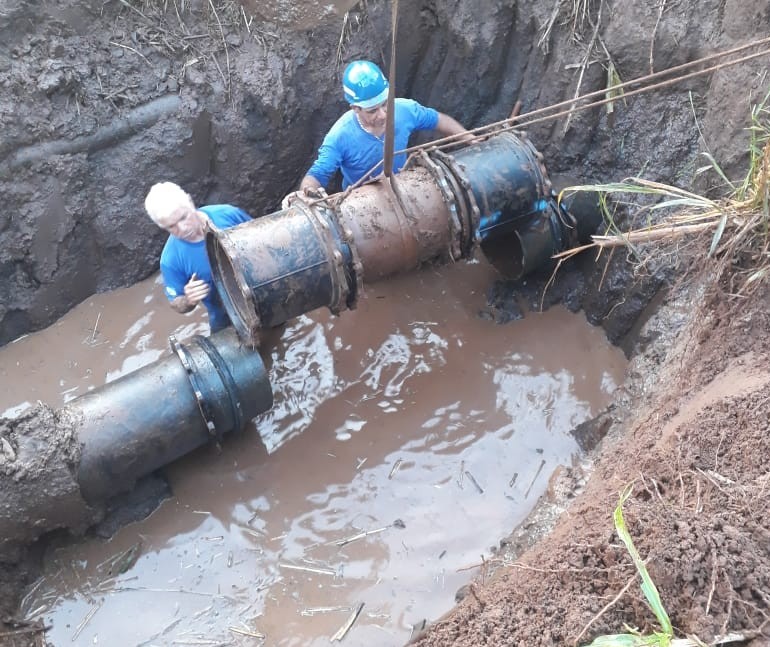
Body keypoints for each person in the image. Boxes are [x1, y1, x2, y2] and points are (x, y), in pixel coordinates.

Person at [287, 60, 470, 202]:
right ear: (355, 108)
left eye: (385, 104)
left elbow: (438, 120)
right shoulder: (340, 136)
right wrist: (308, 194)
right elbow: (317, 175)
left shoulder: (404, 110)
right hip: (361, 203)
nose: (383, 114)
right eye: (372, 110)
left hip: (403, 186)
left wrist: (470, 139)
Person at [144, 182, 252, 333]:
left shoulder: (228, 214)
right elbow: (176, 303)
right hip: (227, 318)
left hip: (263, 293)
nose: (182, 228)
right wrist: (189, 299)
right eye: (171, 226)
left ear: (190, 201)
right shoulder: (170, 260)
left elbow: (267, 240)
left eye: (183, 217)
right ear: (162, 227)